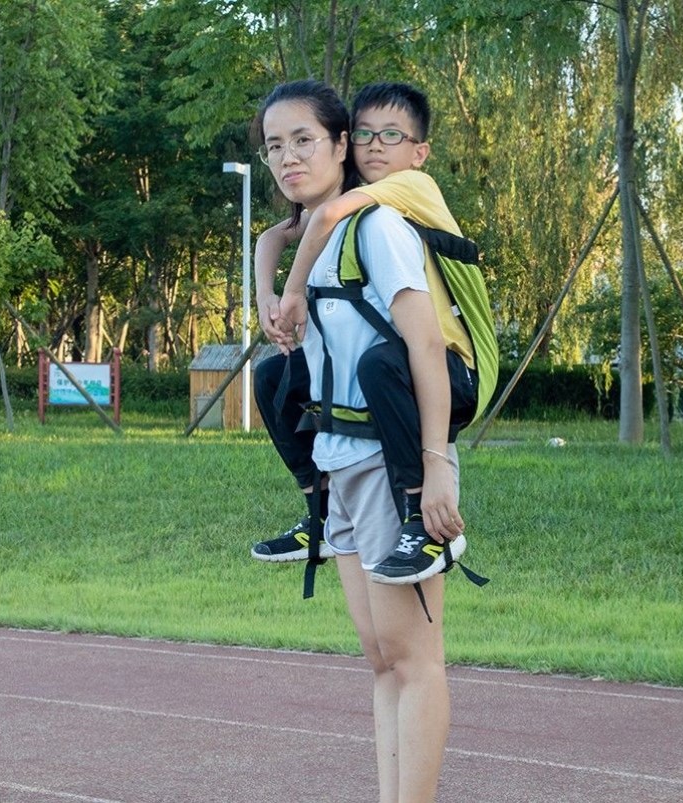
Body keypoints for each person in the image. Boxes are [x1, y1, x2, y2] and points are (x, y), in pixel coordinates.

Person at [256, 78, 460, 801]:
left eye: (303, 140)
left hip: (389, 462)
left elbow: (426, 348)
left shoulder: (377, 228)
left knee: (413, 660)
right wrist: (266, 271)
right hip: (338, 465)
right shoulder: (319, 238)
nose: (287, 157)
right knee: (380, 659)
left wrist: (434, 470)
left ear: (342, 145)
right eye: (274, 145)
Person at [252, 82, 479, 583]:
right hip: (361, 430)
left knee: (375, 362)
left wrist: (289, 294)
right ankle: (318, 508)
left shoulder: (398, 196)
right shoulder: (337, 211)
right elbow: (276, 233)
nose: (376, 146)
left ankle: (421, 513)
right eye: (274, 146)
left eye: (392, 135)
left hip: (446, 371)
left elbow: (326, 216)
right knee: (273, 377)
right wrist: (265, 296)